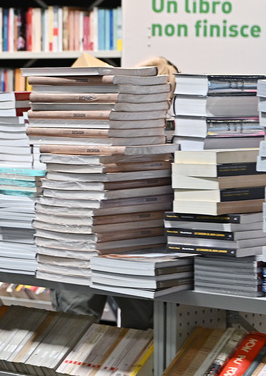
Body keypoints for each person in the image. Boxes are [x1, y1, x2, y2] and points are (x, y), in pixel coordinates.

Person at [49, 56, 179, 330]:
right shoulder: (96, 119)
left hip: (135, 239)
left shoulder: (176, 130)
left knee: (82, 321)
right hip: (92, 236)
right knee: (131, 322)